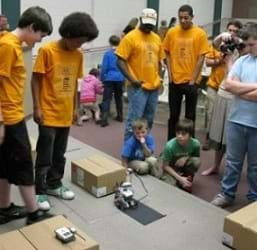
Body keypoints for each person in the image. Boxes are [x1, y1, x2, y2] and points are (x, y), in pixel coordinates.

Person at [31, 12, 98, 211]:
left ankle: (54, 183)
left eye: (84, 42)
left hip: (65, 112)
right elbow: (36, 79)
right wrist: (36, 107)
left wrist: (76, 108)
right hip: (48, 112)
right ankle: (40, 190)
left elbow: (77, 83)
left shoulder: (77, 54)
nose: (80, 45)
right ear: (68, 33)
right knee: (45, 153)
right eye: (79, 40)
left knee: (60, 153)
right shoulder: (47, 50)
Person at [0, 6, 53, 225]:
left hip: (11, 116)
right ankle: (34, 213)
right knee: (23, 165)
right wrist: (1, 122)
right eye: (41, 35)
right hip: (10, 119)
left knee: (3, 165)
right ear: (32, 27)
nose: (40, 40)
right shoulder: (7, 46)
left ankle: (3, 208)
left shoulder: (10, 44)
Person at [211, 23, 257, 208]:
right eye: (247, 44)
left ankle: (254, 198)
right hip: (236, 120)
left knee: (255, 167)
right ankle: (227, 194)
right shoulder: (241, 61)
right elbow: (229, 86)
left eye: (252, 44)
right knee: (233, 162)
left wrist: (240, 90)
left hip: (255, 124)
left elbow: (237, 88)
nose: (248, 48)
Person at [201, 20, 244, 176]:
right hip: (222, 92)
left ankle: (232, 171)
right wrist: (223, 36)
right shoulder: (226, 48)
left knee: (233, 136)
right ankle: (215, 166)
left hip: (237, 97)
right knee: (218, 134)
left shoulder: (244, 50)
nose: (231, 34)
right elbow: (215, 44)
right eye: (229, 30)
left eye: (235, 31)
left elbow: (234, 74)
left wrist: (239, 41)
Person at [116, 8, 165, 141]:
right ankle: (128, 152)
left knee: (149, 120)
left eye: (151, 24)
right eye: (146, 23)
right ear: (141, 19)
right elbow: (120, 61)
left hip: (153, 87)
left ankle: (144, 147)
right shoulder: (130, 37)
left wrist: (159, 79)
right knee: (135, 121)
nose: (148, 26)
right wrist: (132, 80)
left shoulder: (156, 38)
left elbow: (160, 61)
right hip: (138, 87)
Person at [163, 4, 209, 140]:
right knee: (173, 116)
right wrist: (170, 76)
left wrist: (193, 80)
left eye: (186, 18)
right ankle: (171, 144)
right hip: (175, 80)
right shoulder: (172, 32)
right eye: (180, 18)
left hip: (191, 82)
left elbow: (201, 58)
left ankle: (190, 146)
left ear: (192, 17)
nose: (183, 21)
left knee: (190, 117)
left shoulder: (200, 34)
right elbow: (166, 52)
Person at [160, 119, 200, 193]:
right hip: (170, 167)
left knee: (196, 162)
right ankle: (181, 180)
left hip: (183, 166)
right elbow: (165, 166)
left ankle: (187, 178)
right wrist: (180, 178)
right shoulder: (169, 146)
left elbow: (196, 157)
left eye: (183, 134)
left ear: (190, 135)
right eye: (178, 133)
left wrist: (185, 158)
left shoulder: (196, 144)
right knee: (170, 187)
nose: (179, 136)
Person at [99, 35, 125, 127]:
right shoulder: (122, 53)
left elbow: (104, 68)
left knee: (107, 98)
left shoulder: (108, 54)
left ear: (110, 43)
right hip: (120, 78)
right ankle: (120, 116)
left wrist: (102, 78)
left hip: (109, 78)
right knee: (119, 98)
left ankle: (104, 118)